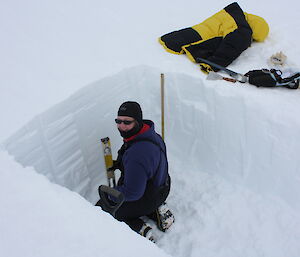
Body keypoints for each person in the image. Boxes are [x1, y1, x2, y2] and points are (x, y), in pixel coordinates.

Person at [96, 101, 174, 242]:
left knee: (102, 209)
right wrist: (120, 163)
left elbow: (133, 192)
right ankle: (155, 210)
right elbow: (140, 160)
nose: (121, 126)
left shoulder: (137, 154)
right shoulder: (150, 134)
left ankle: (139, 228)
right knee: (126, 185)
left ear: (137, 121)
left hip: (148, 197)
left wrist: (110, 196)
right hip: (163, 186)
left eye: (127, 122)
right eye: (118, 121)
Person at [159, 2, 269, 73]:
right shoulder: (241, 28)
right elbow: (233, 44)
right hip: (187, 42)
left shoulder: (230, 14)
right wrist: (213, 64)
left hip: (176, 37)